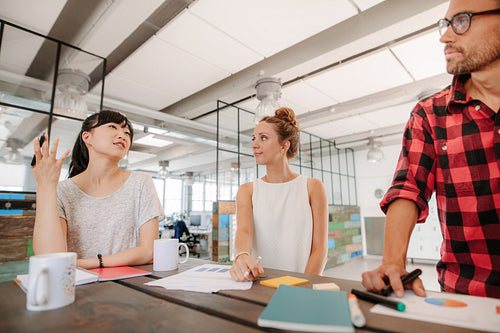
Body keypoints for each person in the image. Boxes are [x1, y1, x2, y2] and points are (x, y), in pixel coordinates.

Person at [362, 0, 500, 299]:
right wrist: (393, 263)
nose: (445, 37)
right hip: (468, 297)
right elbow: (408, 188)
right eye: (445, 24)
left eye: (461, 21)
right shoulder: (430, 113)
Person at [32, 110, 165, 269]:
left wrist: (89, 263)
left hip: (129, 286)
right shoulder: (63, 191)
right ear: (87, 137)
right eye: (112, 127)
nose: (122, 135)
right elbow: (50, 259)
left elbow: (149, 251)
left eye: (127, 132)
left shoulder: (141, 183)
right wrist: (46, 187)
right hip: (78, 288)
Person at [229, 107, 328, 282]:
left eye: (263, 138)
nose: (254, 144)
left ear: (284, 146)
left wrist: (302, 286)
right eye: (254, 138)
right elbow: (243, 232)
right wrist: (242, 255)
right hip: (260, 285)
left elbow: (319, 250)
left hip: (302, 286)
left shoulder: (313, 188)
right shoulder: (247, 191)